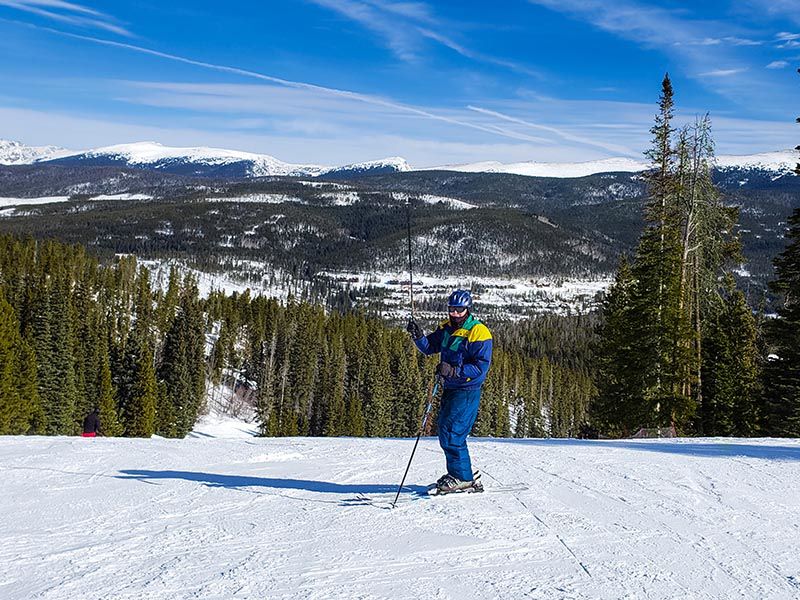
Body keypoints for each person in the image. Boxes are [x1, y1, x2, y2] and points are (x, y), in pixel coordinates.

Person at [406, 289, 493, 494]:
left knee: (454, 433)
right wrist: (418, 336)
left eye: (459, 310)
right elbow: (429, 347)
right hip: (450, 387)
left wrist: (454, 371)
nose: (455, 313)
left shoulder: (478, 332)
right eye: (452, 309)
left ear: (467, 309)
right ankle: (458, 473)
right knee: (446, 431)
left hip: (466, 390)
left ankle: (463, 478)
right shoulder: (446, 329)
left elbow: (480, 367)